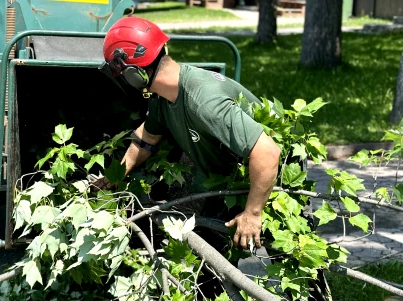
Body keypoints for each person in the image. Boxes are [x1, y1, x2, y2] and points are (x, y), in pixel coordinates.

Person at [96, 16, 281, 251]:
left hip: (270, 172)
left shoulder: (203, 102)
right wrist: (117, 174)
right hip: (226, 171)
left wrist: (253, 213)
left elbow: (267, 152)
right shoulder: (162, 98)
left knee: (285, 254)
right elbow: (146, 140)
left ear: (135, 74)